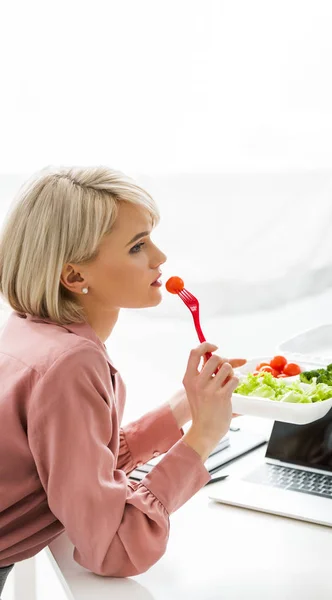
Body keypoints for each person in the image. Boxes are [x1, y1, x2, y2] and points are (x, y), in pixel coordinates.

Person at [0, 166, 244, 589]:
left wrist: (184, 406)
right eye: (137, 246)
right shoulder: (71, 364)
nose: (160, 258)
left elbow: (79, 462)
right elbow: (113, 548)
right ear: (75, 276)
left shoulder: (27, 330)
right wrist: (202, 437)